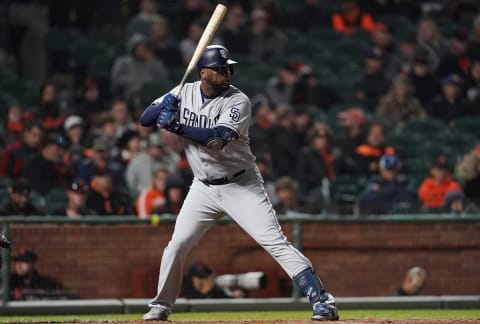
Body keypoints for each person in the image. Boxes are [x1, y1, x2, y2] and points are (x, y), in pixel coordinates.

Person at [140, 45, 339, 321]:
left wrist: (175, 126)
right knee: (176, 245)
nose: (227, 73)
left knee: (274, 242)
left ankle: (323, 301)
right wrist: (165, 105)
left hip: (241, 184)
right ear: (204, 73)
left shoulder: (238, 100)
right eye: (220, 69)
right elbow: (145, 119)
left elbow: (217, 138)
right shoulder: (183, 91)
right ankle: (161, 306)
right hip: (203, 187)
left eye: (228, 68)